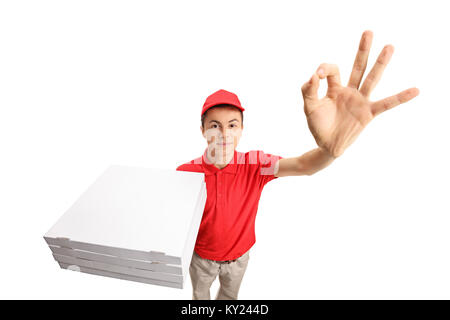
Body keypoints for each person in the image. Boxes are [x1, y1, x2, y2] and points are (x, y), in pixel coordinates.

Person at [176, 30, 419, 300]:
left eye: (232, 125)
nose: (223, 134)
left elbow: (304, 165)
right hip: (201, 258)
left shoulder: (255, 165)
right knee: (200, 297)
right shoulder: (187, 173)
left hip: (239, 256)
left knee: (230, 298)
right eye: (214, 126)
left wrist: (330, 150)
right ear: (202, 130)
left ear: (242, 130)